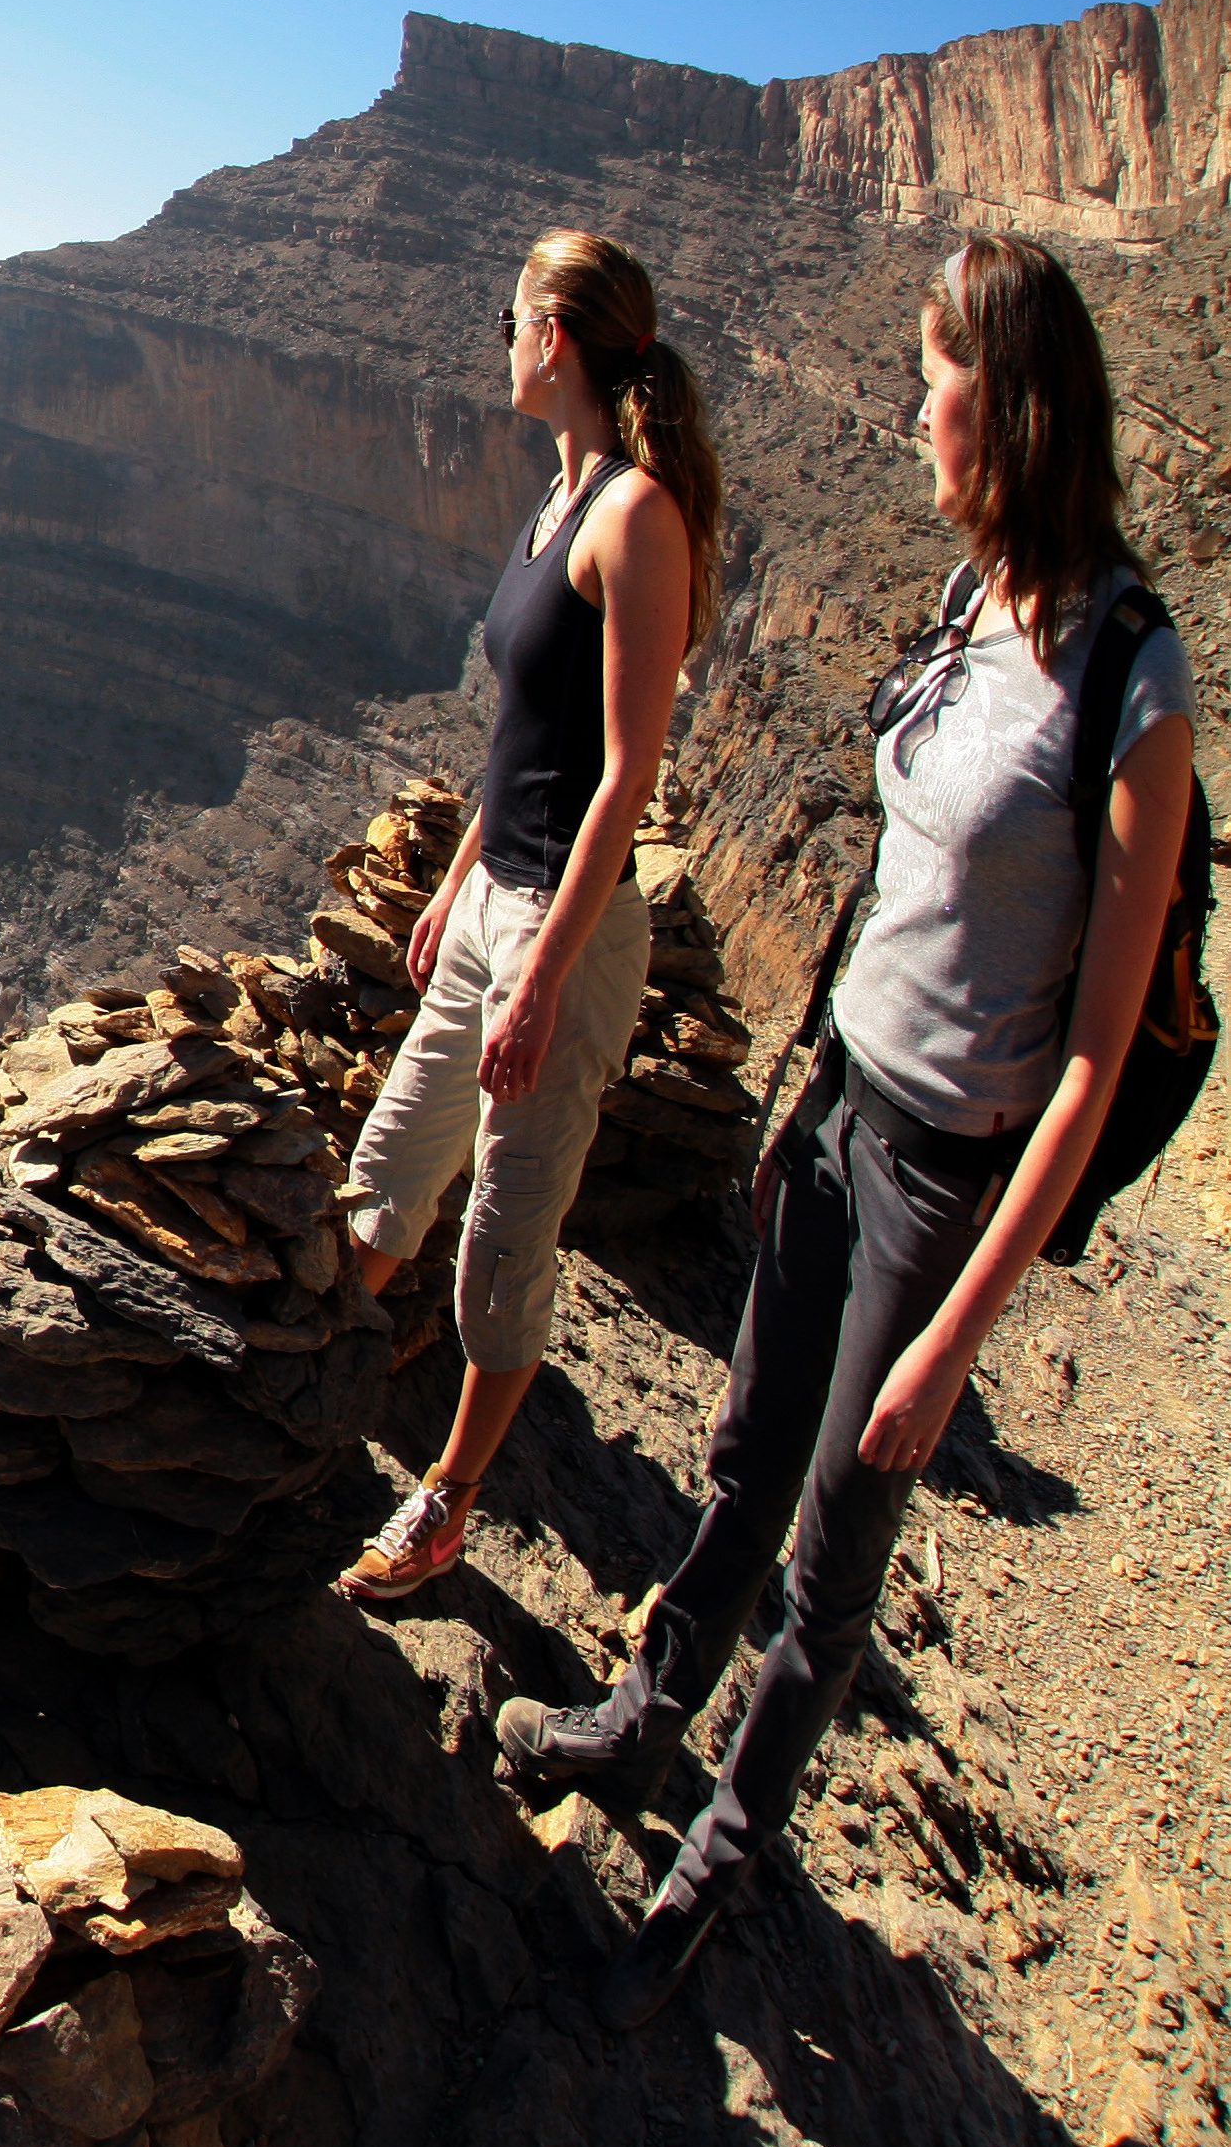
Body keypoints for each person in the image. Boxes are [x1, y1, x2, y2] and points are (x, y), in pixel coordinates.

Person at [493, 233, 1197, 2030]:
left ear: (1007, 403)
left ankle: (715, 1876)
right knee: (740, 1453)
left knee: (829, 1548)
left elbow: (1097, 1058)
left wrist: (958, 1330)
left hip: (951, 1173)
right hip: (838, 1109)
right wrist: (799, 1088)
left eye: (929, 382)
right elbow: (893, 886)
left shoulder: (1134, 685)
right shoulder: (970, 607)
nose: (904, 415)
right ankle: (641, 1728)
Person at [334, 230, 721, 1605]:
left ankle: (444, 1501)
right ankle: (304, 1396)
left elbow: (624, 769)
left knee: (504, 1231)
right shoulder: (551, 506)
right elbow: (525, 734)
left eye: (509, 321)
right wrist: (451, 886)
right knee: (391, 1164)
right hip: (492, 902)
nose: (498, 342)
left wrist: (543, 971)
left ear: (553, 338)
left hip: (569, 929)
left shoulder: (634, 518)